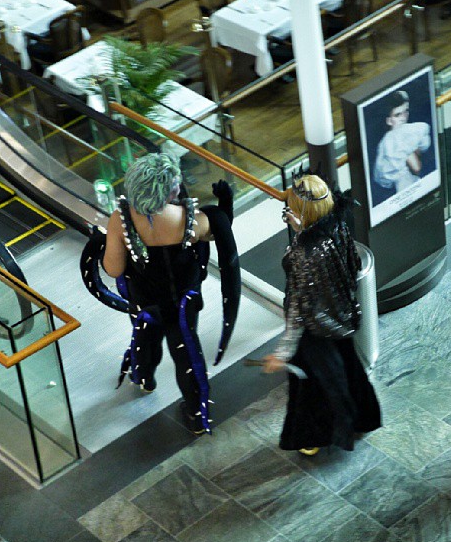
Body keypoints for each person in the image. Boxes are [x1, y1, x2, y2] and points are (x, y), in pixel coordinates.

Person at [97, 153, 239, 435]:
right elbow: (220, 229)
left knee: (146, 341)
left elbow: (113, 269)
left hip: (145, 303)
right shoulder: (191, 220)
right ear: (168, 190)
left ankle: (144, 377)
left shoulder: (120, 220)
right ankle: (197, 415)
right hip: (184, 304)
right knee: (186, 356)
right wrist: (225, 204)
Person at [262, 174, 382, 455]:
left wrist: (282, 352)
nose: (287, 214)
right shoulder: (338, 225)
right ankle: (363, 418)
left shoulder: (303, 253)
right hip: (340, 318)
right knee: (349, 370)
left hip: (315, 328)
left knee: (311, 387)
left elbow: (297, 310)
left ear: (302, 213)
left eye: (290, 209)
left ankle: (313, 436)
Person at [373, 90, 432, 196]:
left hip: (415, 185)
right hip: (405, 190)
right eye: (398, 115)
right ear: (389, 120)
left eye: (406, 112)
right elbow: (416, 167)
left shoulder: (412, 131)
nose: (403, 117)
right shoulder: (390, 142)